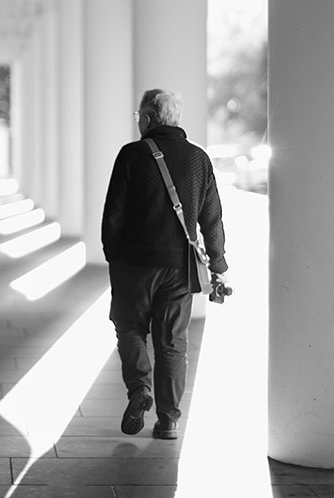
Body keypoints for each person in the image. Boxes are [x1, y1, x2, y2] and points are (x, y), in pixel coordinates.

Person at [101, 89, 228, 439]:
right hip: (179, 267)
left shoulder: (131, 155)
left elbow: (113, 216)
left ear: (147, 117)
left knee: (129, 328)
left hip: (134, 265)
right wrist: (217, 262)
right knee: (172, 341)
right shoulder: (198, 160)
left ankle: (139, 389)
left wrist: (114, 256)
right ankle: (169, 419)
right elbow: (211, 217)